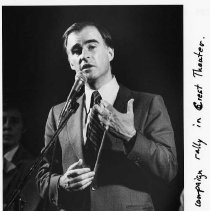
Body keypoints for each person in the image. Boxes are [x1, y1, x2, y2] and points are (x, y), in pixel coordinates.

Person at [36, 22, 178, 211]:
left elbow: (169, 168)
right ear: (71, 62)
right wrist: (61, 182)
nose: (84, 55)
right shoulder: (57, 113)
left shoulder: (148, 104)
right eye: (76, 50)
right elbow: (41, 175)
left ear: (110, 53)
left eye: (92, 46)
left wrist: (131, 137)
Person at [3, 97, 41, 211]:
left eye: (14, 121)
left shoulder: (32, 167)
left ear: (23, 128)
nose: (7, 126)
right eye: (2, 120)